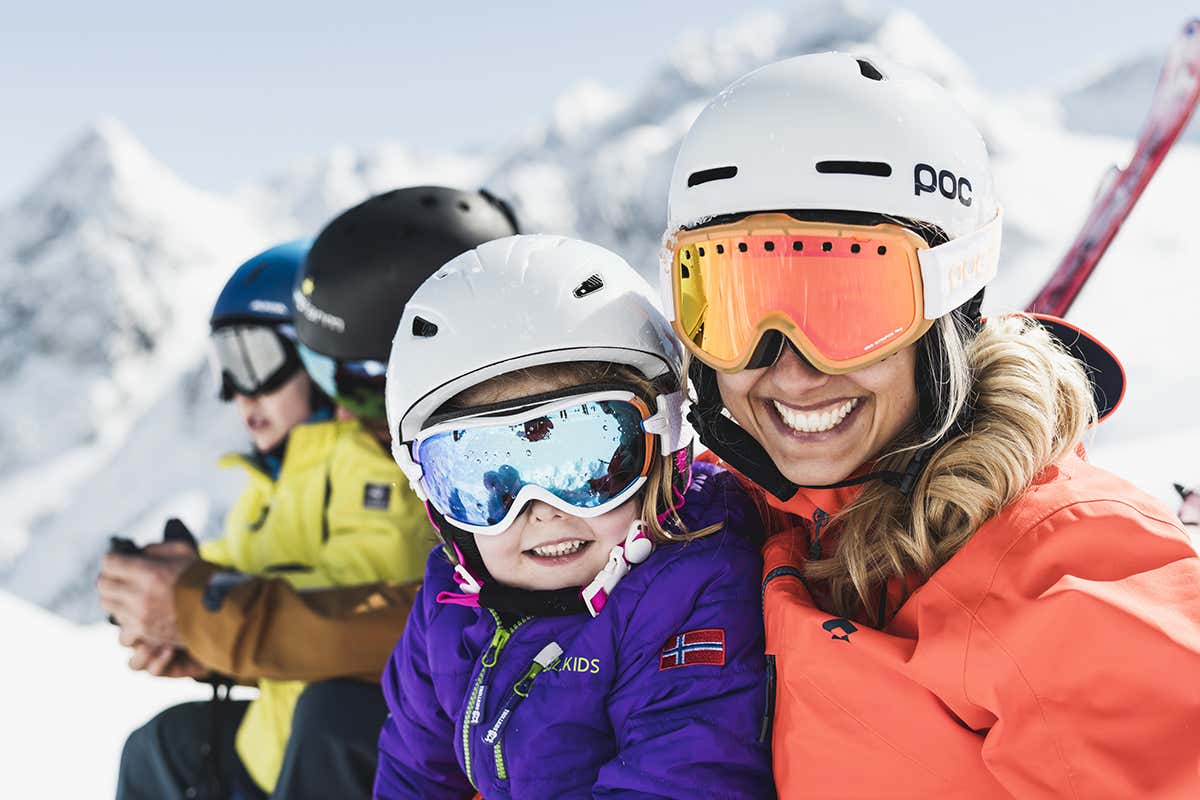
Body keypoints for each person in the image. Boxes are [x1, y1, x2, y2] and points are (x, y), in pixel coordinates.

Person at [660, 52, 1200, 798]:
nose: (790, 370)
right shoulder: (721, 529)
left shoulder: (1066, 577)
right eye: (732, 308)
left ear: (952, 308)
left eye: (850, 307)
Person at [101, 186, 520, 800]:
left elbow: (397, 626)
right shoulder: (281, 476)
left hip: (387, 744)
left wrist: (201, 609)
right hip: (275, 743)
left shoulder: (407, 467)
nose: (239, 394)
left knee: (337, 721)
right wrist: (200, 637)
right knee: (160, 749)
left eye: (257, 359)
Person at [375, 234, 773, 798]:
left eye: (584, 464)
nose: (539, 511)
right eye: (485, 479)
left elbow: (679, 777)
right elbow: (412, 770)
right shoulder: (449, 602)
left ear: (664, 441)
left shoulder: (694, 586)